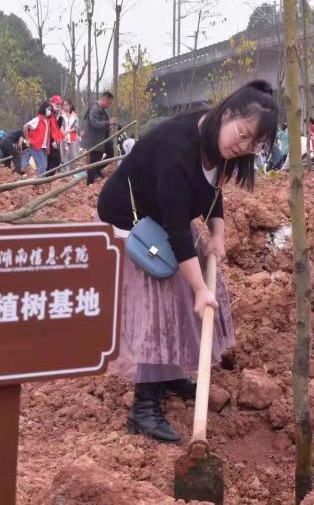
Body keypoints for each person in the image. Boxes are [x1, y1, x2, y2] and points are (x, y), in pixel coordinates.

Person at [97, 80, 278, 443]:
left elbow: (213, 192)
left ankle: (166, 375)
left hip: (162, 219)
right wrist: (198, 289)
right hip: (130, 224)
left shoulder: (219, 149)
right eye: (241, 134)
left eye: (251, 144)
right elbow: (178, 231)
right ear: (226, 114)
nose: (241, 146)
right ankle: (144, 407)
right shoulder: (178, 148)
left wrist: (218, 235)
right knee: (161, 299)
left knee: (181, 292)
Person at [83, 91, 117, 185]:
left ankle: (97, 170)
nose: (109, 105)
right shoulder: (94, 108)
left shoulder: (102, 110)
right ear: (104, 99)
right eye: (109, 103)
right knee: (93, 162)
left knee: (112, 152)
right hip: (95, 141)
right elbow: (94, 123)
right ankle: (90, 183)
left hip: (102, 140)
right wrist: (108, 123)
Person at [22, 103, 52, 175]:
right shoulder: (37, 119)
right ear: (43, 109)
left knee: (44, 166)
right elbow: (25, 127)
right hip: (36, 146)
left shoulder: (46, 120)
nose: (49, 111)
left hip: (43, 147)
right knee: (42, 166)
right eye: (48, 109)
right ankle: (39, 183)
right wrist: (28, 140)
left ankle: (40, 182)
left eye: (50, 110)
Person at [45, 95, 65, 175]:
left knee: (53, 160)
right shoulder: (48, 112)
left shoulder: (55, 114)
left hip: (53, 140)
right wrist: (53, 141)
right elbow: (49, 128)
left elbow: (57, 127)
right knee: (56, 159)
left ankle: (47, 178)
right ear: (52, 104)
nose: (59, 106)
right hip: (48, 141)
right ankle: (46, 178)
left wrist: (60, 115)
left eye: (60, 104)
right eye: (57, 104)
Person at [61, 99, 80, 170]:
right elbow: (59, 125)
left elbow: (76, 127)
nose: (65, 107)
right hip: (63, 138)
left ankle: (72, 171)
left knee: (73, 156)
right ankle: (64, 173)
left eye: (67, 105)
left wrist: (68, 132)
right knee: (64, 156)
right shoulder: (60, 115)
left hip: (72, 138)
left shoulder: (74, 116)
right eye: (64, 105)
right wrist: (63, 133)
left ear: (70, 106)